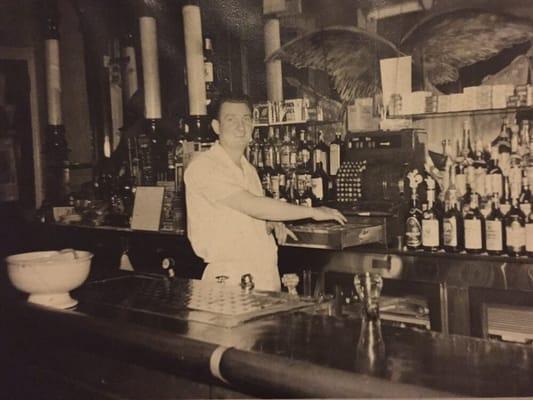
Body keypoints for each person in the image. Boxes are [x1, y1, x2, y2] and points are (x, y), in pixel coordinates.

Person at [184, 94, 346, 291]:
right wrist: (313, 211)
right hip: (229, 279)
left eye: (246, 119)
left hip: (265, 274)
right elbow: (252, 205)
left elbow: (243, 215)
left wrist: (268, 223)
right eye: (231, 119)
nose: (240, 126)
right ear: (216, 127)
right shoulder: (204, 166)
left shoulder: (248, 169)